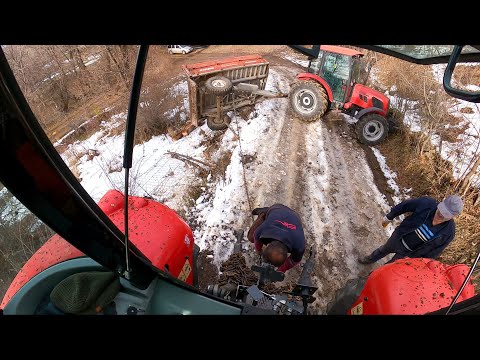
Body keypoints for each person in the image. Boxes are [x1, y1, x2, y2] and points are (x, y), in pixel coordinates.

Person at [359, 195, 464, 265]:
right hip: (399, 237)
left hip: (409, 254)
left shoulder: (449, 232)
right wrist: (389, 216)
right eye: (441, 210)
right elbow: (405, 206)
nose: (440, 214)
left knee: (388, 268)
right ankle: (369, 259)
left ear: (454, 216)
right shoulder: (426, 204)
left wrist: (417, 261)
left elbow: (435, 252)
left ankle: (370, 280)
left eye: (445, 214)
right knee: (383, 249)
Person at [247, 204, 306, 273]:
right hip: (276, 209)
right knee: (250, 237)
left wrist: (280, 270)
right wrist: (259, 250)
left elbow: (293, 261)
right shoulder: (263, 230)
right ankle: (263, 212)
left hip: (294, 216)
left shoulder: (299, 246)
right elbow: (256, 238)